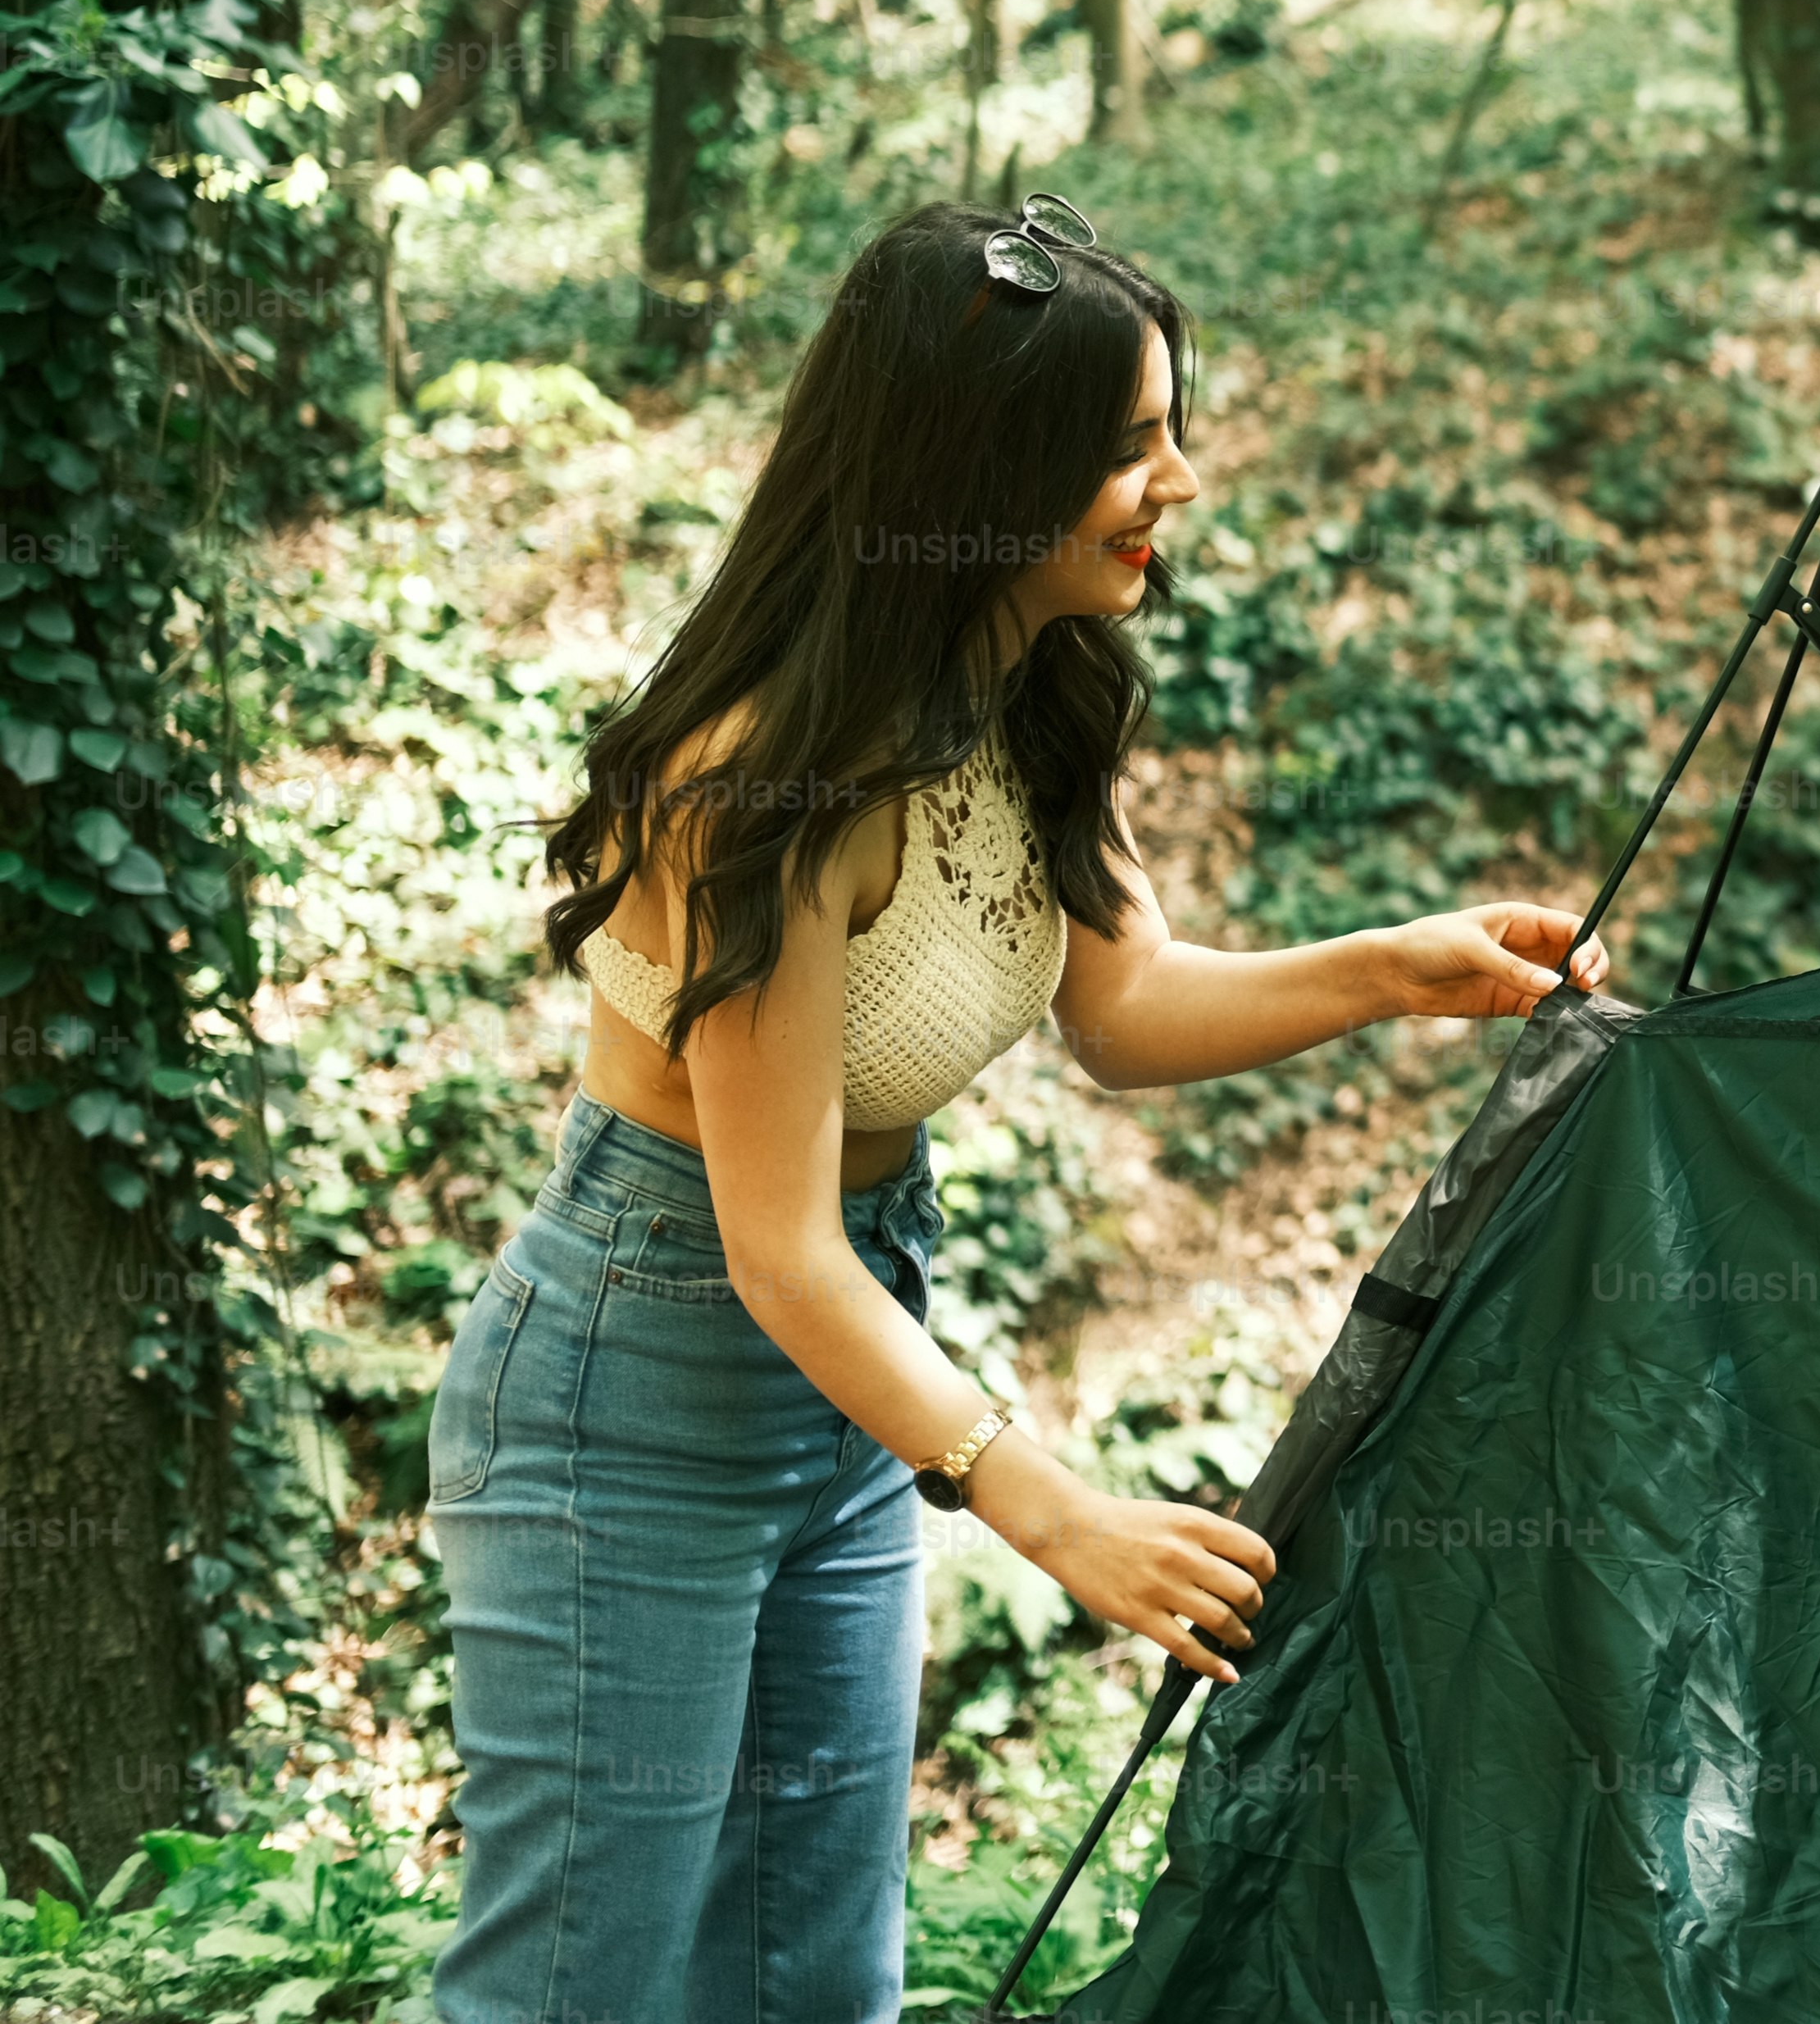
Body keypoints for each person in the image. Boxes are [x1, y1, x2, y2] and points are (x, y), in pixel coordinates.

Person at [428, 194, 1609, 2024]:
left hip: (850, 1380)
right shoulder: (765, 781)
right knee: (580, 1987)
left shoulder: (1028, 689)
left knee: (816, 1979)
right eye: (1129, 444)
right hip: (632, 1393)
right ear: (984, 462)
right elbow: (778, 1246)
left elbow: (1121, 1007)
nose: (1181, 481)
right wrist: (1050, 1508)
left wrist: (1395, 965)